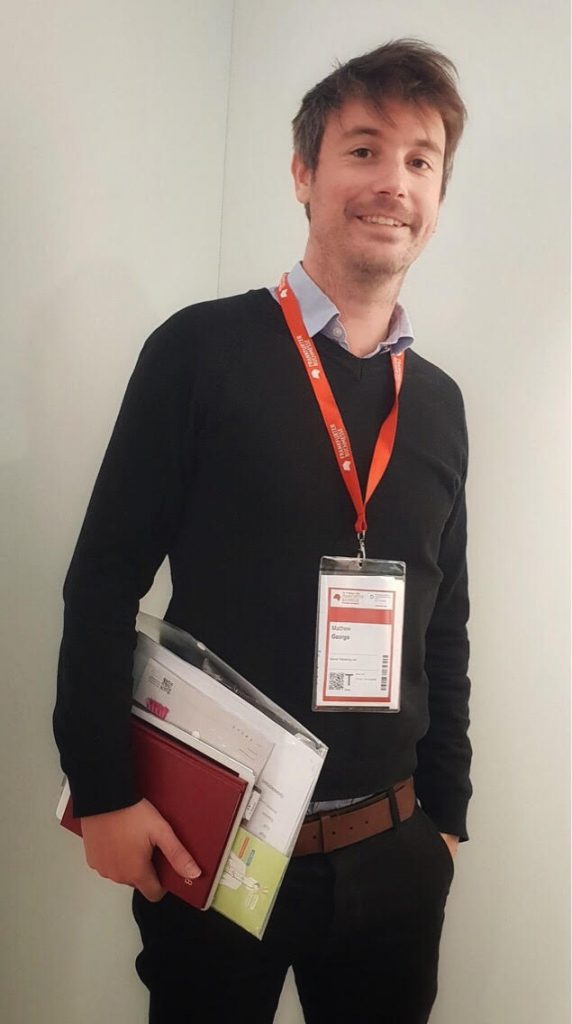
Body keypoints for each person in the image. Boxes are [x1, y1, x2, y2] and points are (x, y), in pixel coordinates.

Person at [54, 37, 472, 1024]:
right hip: (219, 843)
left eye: (419, 161)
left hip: (391, 853)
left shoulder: (441, 404)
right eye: (362, 150)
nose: (391, 183)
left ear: (438, 192)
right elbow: (103, 580)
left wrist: (445, 815)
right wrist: (104, 790)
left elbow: (443, 617)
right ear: (303, 173)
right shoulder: (199, 352)